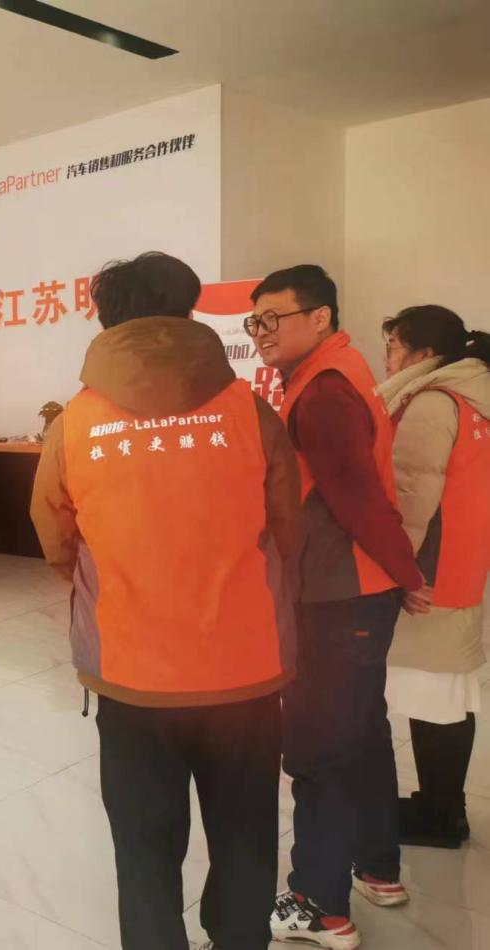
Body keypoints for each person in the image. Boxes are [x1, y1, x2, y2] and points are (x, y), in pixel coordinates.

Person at [31, 251, 301, 950]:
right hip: (244, 668)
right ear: (186, 311)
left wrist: (109, 581)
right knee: (245, 835)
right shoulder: (249, 410)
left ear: (105, 320)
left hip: (131, 672)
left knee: (144, 845)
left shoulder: (75, 422)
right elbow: (286, 527)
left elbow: (55, 535)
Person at [250, 265, 428, 949]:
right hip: (353, 592)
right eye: (255, 321)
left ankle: (319, 905)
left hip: (336, 594)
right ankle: (377, 868)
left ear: (320, 316)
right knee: (361, 731)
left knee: (319, 748)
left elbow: (356, 495)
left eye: (274, 318)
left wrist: (405, 571)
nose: (261, 332)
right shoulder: (333, 372)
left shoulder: (323, 390)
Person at [378, 306, 490, 849]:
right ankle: (443, 806)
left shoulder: (432, 402)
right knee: (446, 689)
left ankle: (440, 815)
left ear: (425, 354)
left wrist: (399, 569)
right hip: (461, 563)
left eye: (394, 346)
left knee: (433, 694)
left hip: (429, 572)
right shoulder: (473, 398)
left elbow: (412, 496)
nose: (387, 359)